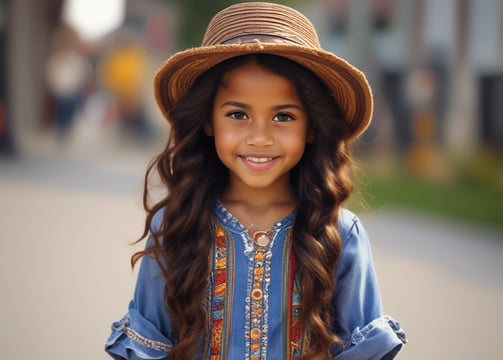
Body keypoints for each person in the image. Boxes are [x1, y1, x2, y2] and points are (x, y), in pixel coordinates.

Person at [105, 2, 407, 359]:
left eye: (283, 116)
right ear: (207, 121)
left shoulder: (339, 234)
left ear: (311, 126)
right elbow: (147, 348)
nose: (260, 137)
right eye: (237, 114)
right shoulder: (173, 226)